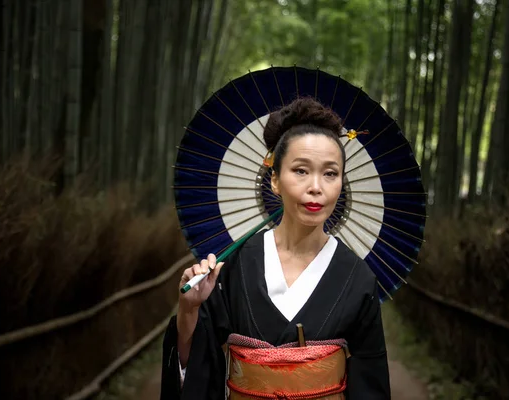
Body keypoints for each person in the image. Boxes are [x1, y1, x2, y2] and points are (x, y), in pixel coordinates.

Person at [160, 98, 392, 399]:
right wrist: (189, 309)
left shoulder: (358, 277)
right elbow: (197, 368)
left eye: (330, 173)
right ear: (274, 180)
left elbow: (371, 384)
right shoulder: (235, 266)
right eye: (300, 171)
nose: (316, 187)